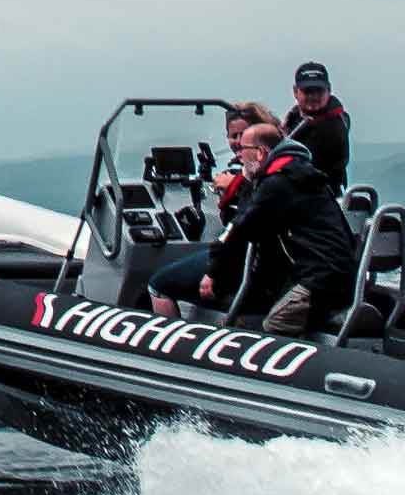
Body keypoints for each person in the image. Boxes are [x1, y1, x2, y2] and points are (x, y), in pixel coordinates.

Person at [200, 124, 358, 335]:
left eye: (243, 149)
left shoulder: (277, 184)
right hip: (342, 274)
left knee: (274, 325)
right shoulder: (307, 176)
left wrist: (213, 272)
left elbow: (240, 228)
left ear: (260, 152)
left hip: (319, 280)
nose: (239, 157)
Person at [149, 102, 282, 316]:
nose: (238, 143)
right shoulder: (265, 170)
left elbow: (237, 230)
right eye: (233, 136)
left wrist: (212, 272)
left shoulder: (260, 179)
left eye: (244, 136)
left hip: (246, 259)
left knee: (158, 284)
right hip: (247, 256)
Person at [281, 61, 352, 196]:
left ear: (329, 90)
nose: (313, 97)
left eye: (319, 91)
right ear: (295, 92)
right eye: (307, 91)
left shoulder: (334, 125)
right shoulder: (294, 118)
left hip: (319, 197)